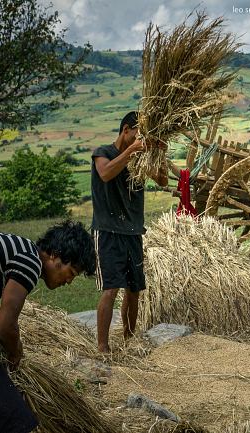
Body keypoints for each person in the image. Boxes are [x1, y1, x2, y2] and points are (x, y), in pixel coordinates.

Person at [0, 220, 96, 432]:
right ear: (55, 255)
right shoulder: (30, 263)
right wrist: (15, 351)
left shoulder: (21, 250)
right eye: (71, 272)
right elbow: (4, 326)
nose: (69, 281)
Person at [91, 111, 168, 353]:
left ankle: (129, 340)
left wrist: (159, 154)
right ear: (126, 130)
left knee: (134, 290)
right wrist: (132, 151)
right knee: (111, 288)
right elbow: (105, 174)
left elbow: (163, 180)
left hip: (133, 231)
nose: (139, 140)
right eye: (137, 134)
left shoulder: (139, 159)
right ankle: (102, 347)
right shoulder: (103, 153)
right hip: (108, 231)